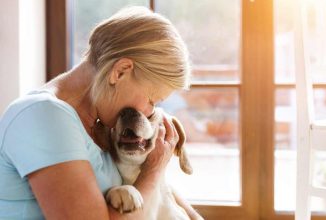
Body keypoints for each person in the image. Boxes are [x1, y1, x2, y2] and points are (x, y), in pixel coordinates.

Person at [0, 6, 202, 220]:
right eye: (151, 100)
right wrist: (152, 171)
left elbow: (160, 192)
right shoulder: (44, 116)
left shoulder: (100, 125)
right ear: (120, 72)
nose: (149, 111)